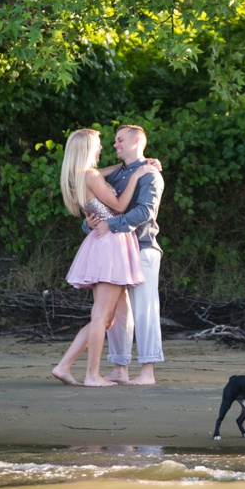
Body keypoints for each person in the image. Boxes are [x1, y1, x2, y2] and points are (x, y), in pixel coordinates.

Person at [56, 124, 165, 385]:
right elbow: (105, 210)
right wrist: (90, 224)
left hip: (142, 246)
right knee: (114, 317)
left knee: (142, 310)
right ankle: (118, 368)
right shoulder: (108, 175)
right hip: (115, 249)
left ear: (137, 140)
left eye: (119, 140)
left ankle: (147, 371)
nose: (112, 145)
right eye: (110, 141)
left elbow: (144, 213)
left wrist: (140, 169)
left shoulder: (149, 174)